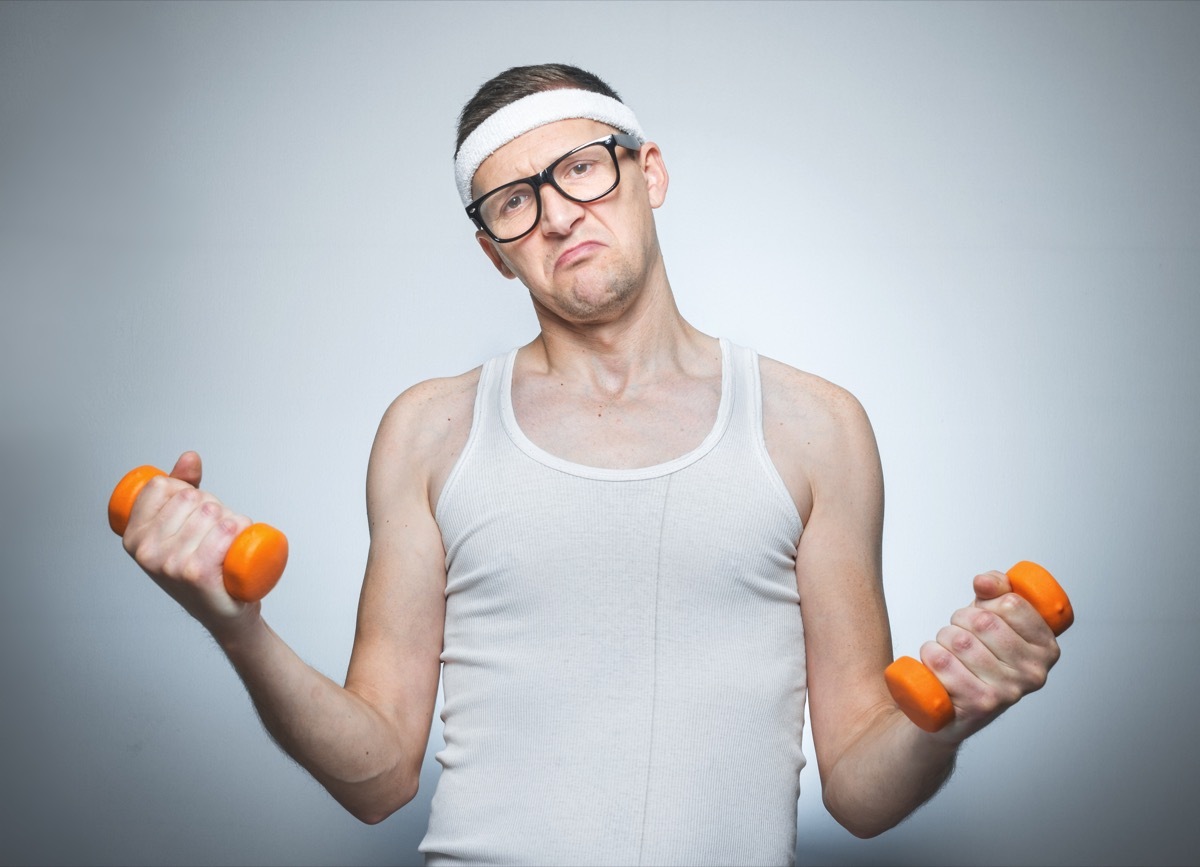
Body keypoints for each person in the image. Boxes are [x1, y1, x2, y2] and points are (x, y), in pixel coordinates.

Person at [120, 64, 1063, 865]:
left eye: (581, 169)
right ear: (493, 251)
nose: (558, 214)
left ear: (649, 173)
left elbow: (859, 786)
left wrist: (952, 710)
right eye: (514, 201)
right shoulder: (428, 431)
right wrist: (236, 628)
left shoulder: (816, 427)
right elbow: (379, 778)